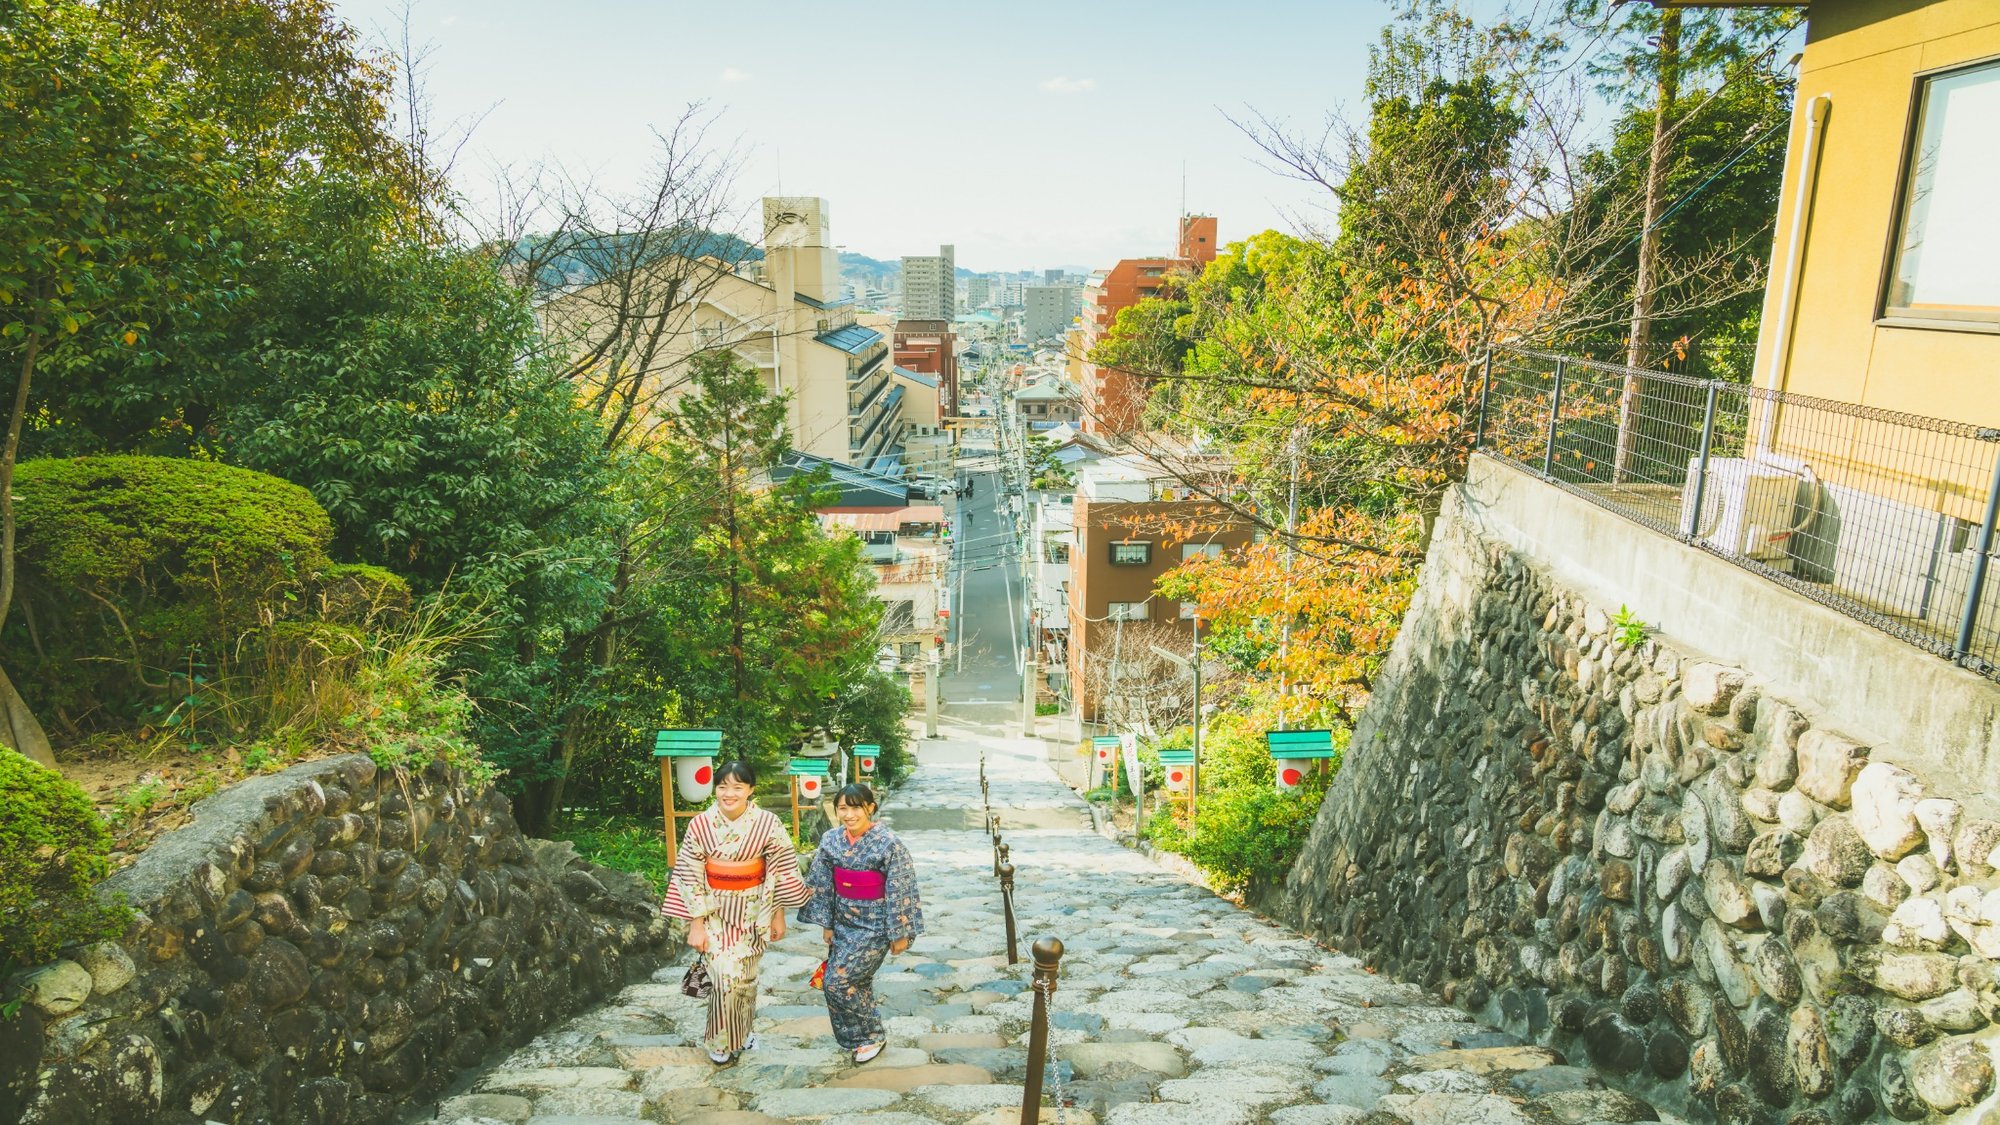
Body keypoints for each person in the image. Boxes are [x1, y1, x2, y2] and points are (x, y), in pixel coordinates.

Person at [661, 760, 811, 1066]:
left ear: (750, 790)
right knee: (725, 978)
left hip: (754, 911)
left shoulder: (768, 823)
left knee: (745, 978)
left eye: (737, 787)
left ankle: (742, 1033)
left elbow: (780, 871)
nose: (729, 793)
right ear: (715, 789)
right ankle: (719, 1042)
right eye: (723, 786)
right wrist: (696, 925)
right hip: (714, 911)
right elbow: (690, 874)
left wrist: (778, 915)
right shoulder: (700, 825)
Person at [800, 782, 924, 1063]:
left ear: (870, 807)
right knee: (858, 981)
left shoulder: (889, 843)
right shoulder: (831, 840)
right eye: (842, 808)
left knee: (837, 981)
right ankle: (870, 1035)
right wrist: (827, 924)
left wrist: (899, 931)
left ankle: (867, 1036)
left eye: (856, 807)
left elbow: (900, 888)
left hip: (875, 926)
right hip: (843, 922)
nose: (849, 814)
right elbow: (823, 883)